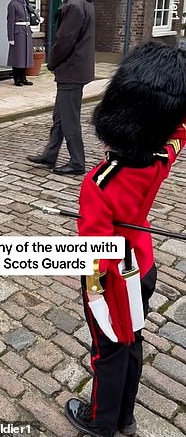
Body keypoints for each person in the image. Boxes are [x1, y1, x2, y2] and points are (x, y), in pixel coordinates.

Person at [64, 42, 186, 437]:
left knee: (108, 349)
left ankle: (100, 419)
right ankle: (125, 416)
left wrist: (96, 296)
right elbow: (180, 134)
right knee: (132, 341)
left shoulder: (98, 183)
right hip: (143, 267)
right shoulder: (159, 159)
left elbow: (93, 253)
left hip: (111, 280)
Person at [27, 0, 96, 175]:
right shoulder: (82, 1)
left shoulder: (74, 5)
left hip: (71, 70)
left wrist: (52, 62)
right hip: (75, 69)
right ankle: (50, 154)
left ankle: (77, 162)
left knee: (69, 119)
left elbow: (65, 41)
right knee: (60, 115)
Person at [7, 0, 34, 87]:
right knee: (17, 56)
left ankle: (23, 77)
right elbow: (10, 22)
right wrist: (10, 37)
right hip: (18, 33)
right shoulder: (13, 4)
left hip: (26, 31)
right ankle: (16, 78)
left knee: (25, 56)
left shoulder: (25, 3)